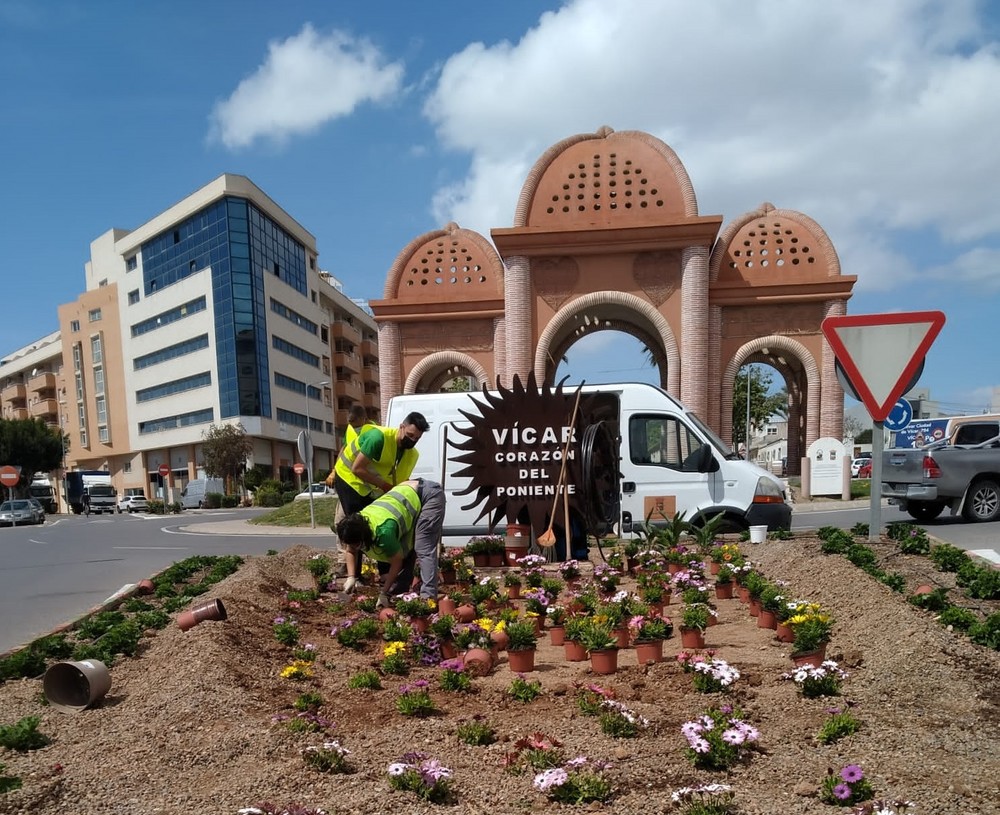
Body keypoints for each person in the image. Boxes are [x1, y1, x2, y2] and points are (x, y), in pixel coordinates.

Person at [332, 410, 430, 578]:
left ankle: (385, 572)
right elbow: (357, 468)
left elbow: (401, 481)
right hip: (349, 479)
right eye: (410, 435)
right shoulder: (378, 438)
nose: (412, 440)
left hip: (371, 487)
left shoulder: (412, 454)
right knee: (357, 524)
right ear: (401, 427)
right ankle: (354, 576)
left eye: (417, 438)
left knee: (380, 525)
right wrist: (385, 486)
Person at [336, 478, 445, 605]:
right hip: (409, 493)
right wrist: (351, 577)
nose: (354, 547)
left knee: (423, 546)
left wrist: (384, 593)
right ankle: (402, 589)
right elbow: (350, 551)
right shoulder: (356, 523)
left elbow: (396, 562)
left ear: (363, 537)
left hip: (428, 495)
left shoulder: (384, 532)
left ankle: (428, 599)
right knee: (409, 545)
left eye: (356, 544)